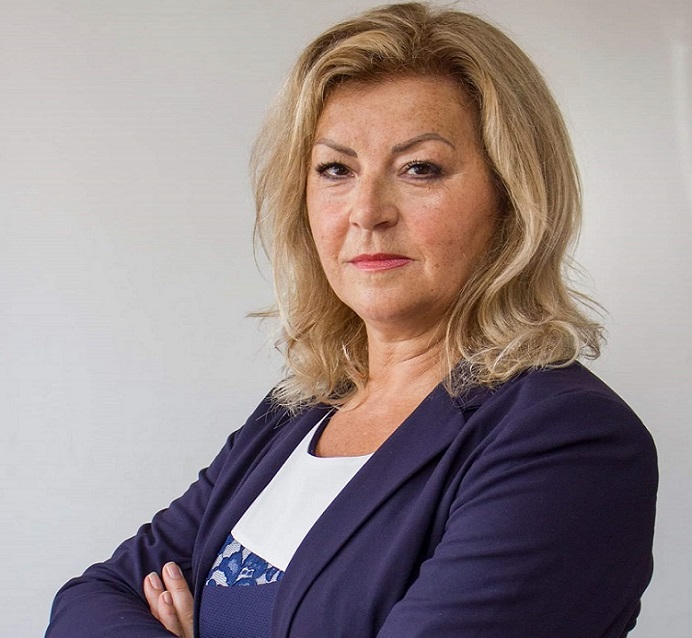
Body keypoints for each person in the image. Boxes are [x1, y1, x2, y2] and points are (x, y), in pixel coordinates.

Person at [46, 3, 657, 637]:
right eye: (336, 170)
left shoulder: (567, 441)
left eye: (420, 168)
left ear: (513, 197)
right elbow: (92, 600)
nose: (367, 211)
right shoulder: (295, 413)